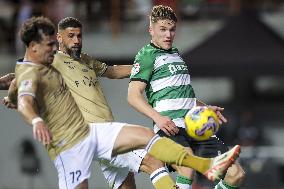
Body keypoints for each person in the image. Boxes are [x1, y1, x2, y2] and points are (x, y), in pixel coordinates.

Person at [11, 16, 241, 189]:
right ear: (58, 38)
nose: (77, 40)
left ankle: (205, 167)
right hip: (83, 133)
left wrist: (149, 67)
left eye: (80, 35)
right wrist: (29, 109)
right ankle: (205, 167)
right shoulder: (52, 60)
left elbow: (111, 71)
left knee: (135, 171)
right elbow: (23, 78)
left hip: (103, 133)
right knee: (152, 158)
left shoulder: (85, 61)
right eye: (70, 36)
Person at [128, 5, 245, 189]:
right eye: (163, 29)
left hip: (195, 129)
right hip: (171, 129)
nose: (168, 34)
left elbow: (185, 97)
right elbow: (133, 96)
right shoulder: (146, 56)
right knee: (187, 169)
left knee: (235, 174)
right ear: (151, 29)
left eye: (172, 29)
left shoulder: (176, 54)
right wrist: (158, 118)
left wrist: (204, 108)